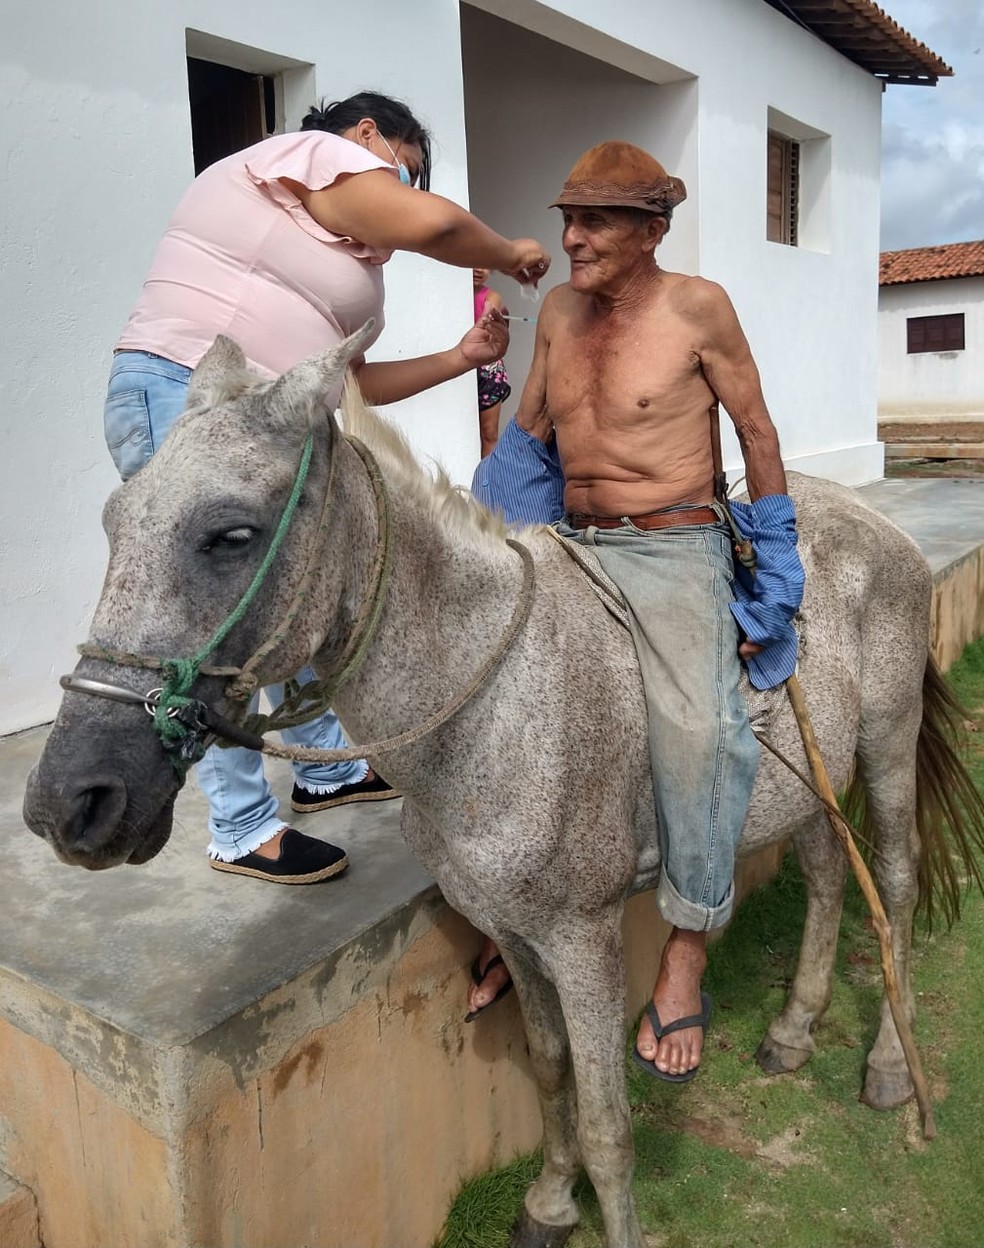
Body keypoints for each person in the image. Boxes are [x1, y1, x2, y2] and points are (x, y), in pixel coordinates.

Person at [103, 90, 551, 886]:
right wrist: (512, 251)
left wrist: (461, 357)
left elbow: (359, 387)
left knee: (303, 584)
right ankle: (240, 827)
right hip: (190, 397)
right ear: (368, 134)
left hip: (266, 420)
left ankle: (326, 773)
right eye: (403, 171)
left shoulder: (314, 235)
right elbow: (440, 228)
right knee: (217, 615)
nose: (403, 192)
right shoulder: (306, 157)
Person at [468, 140, 803, 1083]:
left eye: (595, 222)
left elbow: (758, 433)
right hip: (572, 538)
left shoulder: (699, 306)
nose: (570, 238)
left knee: (702, 732)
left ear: (652, 231)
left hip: (672, 545)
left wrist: (774, 575)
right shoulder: (562, 314)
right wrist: (481, 537)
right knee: (495, 699)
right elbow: (529, 436)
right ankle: (515, 915)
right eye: (567, 218)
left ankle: (688, 944)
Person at [472, 268, 511, 457]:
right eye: (471, 261)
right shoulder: (449, 296)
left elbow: (485, 329)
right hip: (461, 368)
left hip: (488, 371)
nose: (478, 268)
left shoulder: (492, 296)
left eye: (484, 263)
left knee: (489, 432)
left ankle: (486, 483)